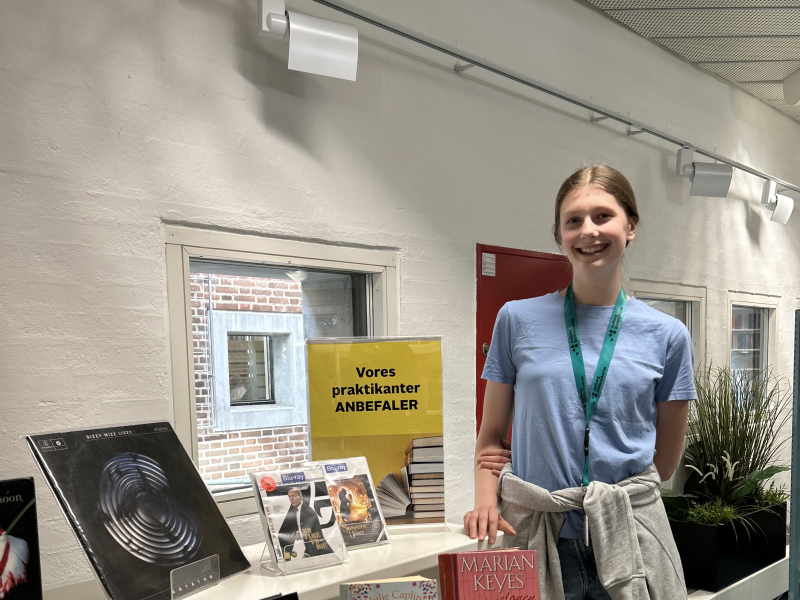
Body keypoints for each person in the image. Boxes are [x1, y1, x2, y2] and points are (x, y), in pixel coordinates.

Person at [463, 165, 696, 599]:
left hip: (630, 533)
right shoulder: (516, 320)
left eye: (603, 216)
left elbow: (663, 466)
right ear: (560, 236)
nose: (588, 230)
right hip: (537, 534)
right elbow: (492, 439)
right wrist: (484, 500)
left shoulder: (668, 336)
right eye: (574, 220)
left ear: (631, 227)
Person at [277, 487, 333, 559]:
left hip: (320, 552)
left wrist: (307, 554)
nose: (291, 499)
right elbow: (285, 530)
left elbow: (311, 536)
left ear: (301, 497)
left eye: (293, 496)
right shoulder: (292, 510)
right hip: (300, 546)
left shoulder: (309, 513)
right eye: (289, 496)